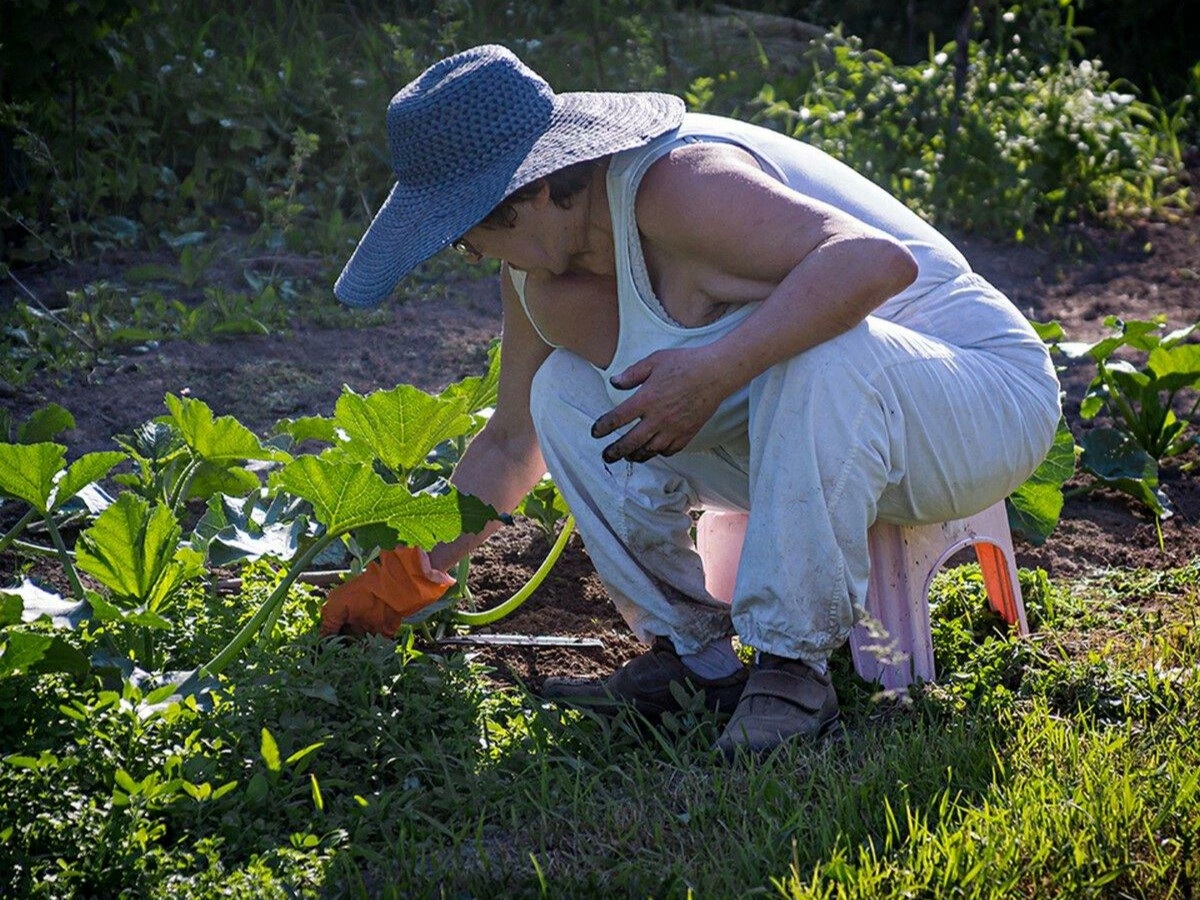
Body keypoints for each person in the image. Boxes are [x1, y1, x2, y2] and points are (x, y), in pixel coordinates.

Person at [329, 44, 1061, 755]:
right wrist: (406, 572)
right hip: (826, 431)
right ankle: (694, 660)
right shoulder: (538, 267)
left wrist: (713, 371)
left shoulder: (680, 183)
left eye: (471, 234)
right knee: (562, 391)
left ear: (538, 188)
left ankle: (793, 672)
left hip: (977, 402)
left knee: (820, 350)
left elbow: (875, 262)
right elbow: (512, 441)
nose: (475, 255)